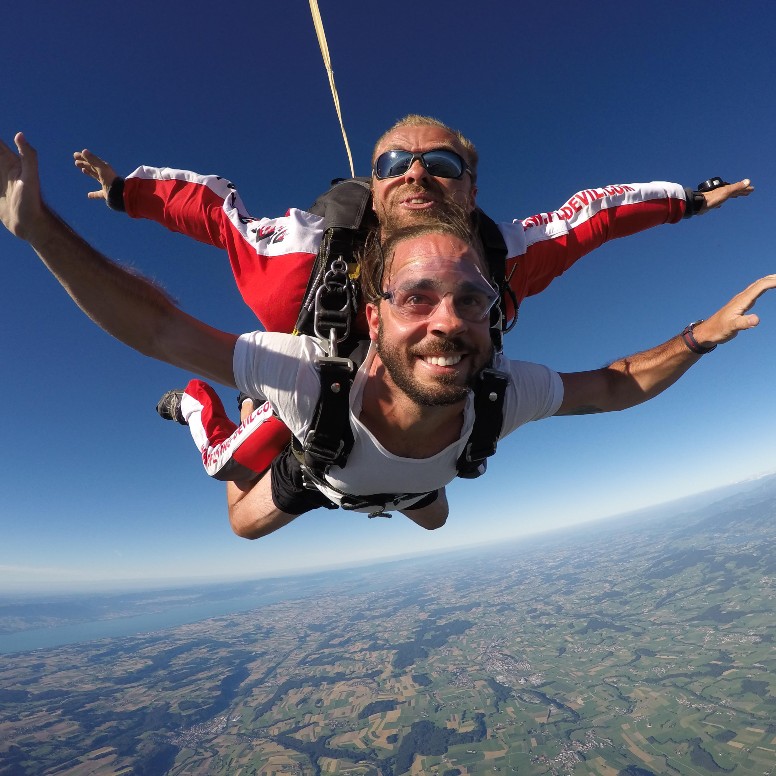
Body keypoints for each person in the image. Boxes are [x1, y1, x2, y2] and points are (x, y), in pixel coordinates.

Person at [2, 132, 771, 541]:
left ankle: (388, 483)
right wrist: (110, 201)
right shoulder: (296, 265)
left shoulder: (506, 256)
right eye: (393, 162)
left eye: (440, 162)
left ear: (470, 186)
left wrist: (690, 204)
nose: (415, 173)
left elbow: (591, 219)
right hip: (316, 417)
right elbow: (206, 223)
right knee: (238, 504)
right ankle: (199, 409)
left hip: (422, 434)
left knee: (432, 511)